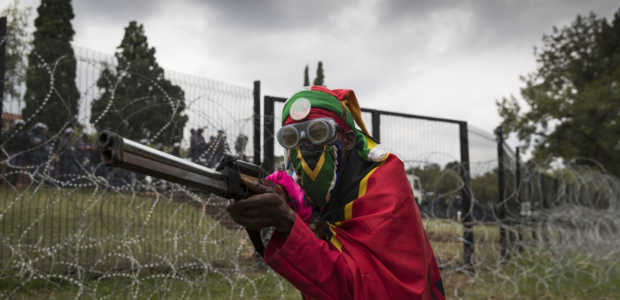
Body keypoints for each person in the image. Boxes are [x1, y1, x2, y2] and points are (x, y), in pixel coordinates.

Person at [227, 86, 445, 300]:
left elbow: (362, 288)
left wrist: (287, 221)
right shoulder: (312, 195)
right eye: (292, 138)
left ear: (348, 140)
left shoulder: (383, 190)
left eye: (319, 132)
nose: (305, 147)